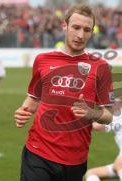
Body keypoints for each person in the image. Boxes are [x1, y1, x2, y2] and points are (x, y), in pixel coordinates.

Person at [14, 4, 114, 181]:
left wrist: (91, 113)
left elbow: (108, 115)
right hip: (38, 152)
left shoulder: (101, 67)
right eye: (76, 27)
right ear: (64, 26)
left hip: (75, 159)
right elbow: (33, 98)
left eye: (87, 30)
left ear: (91, 32)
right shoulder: (43, 60)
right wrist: (23, 111)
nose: (80, 35)